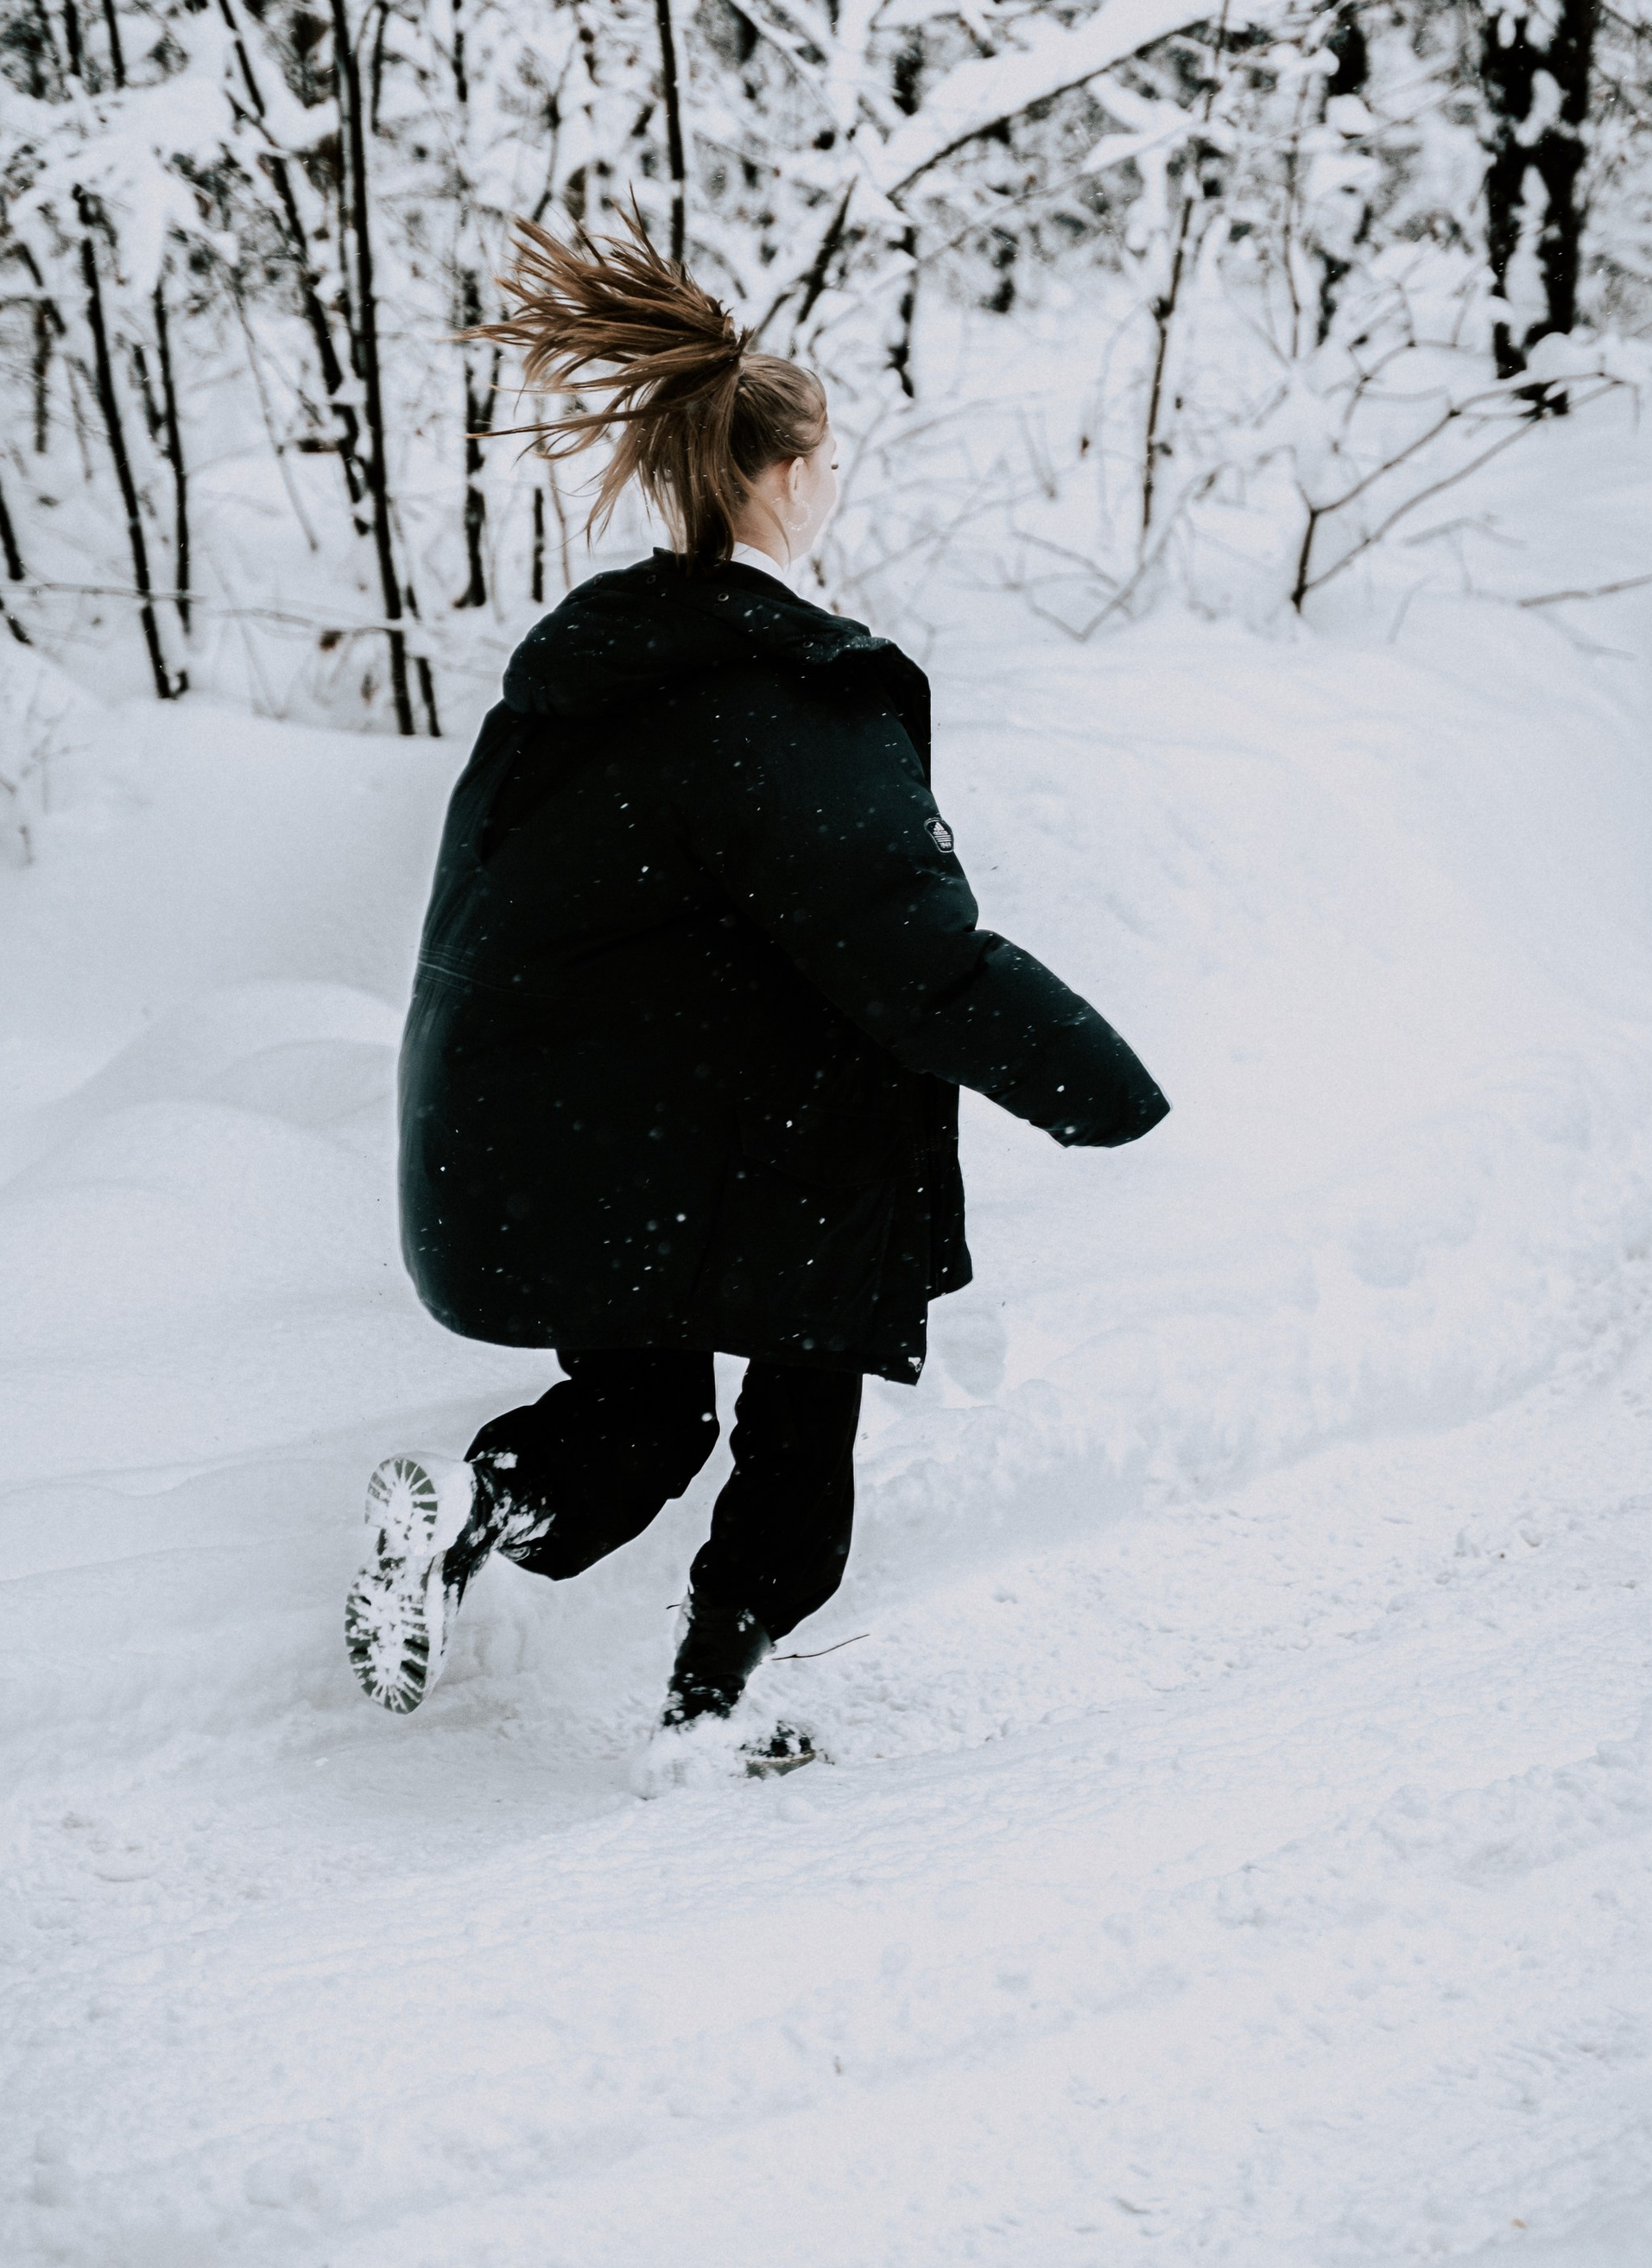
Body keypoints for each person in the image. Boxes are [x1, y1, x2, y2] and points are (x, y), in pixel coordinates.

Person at [348, 208, 1168, 1758]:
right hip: (767, 1145)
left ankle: (473, 1501)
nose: (833, 485)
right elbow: (910, 949)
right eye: (832, 460)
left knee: (643, 1416)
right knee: (803, 1401)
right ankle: (710, 1708)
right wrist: (1100, 1088)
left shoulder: (582, 677)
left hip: (589, 1135)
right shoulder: (789, 693)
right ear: (786, 475)